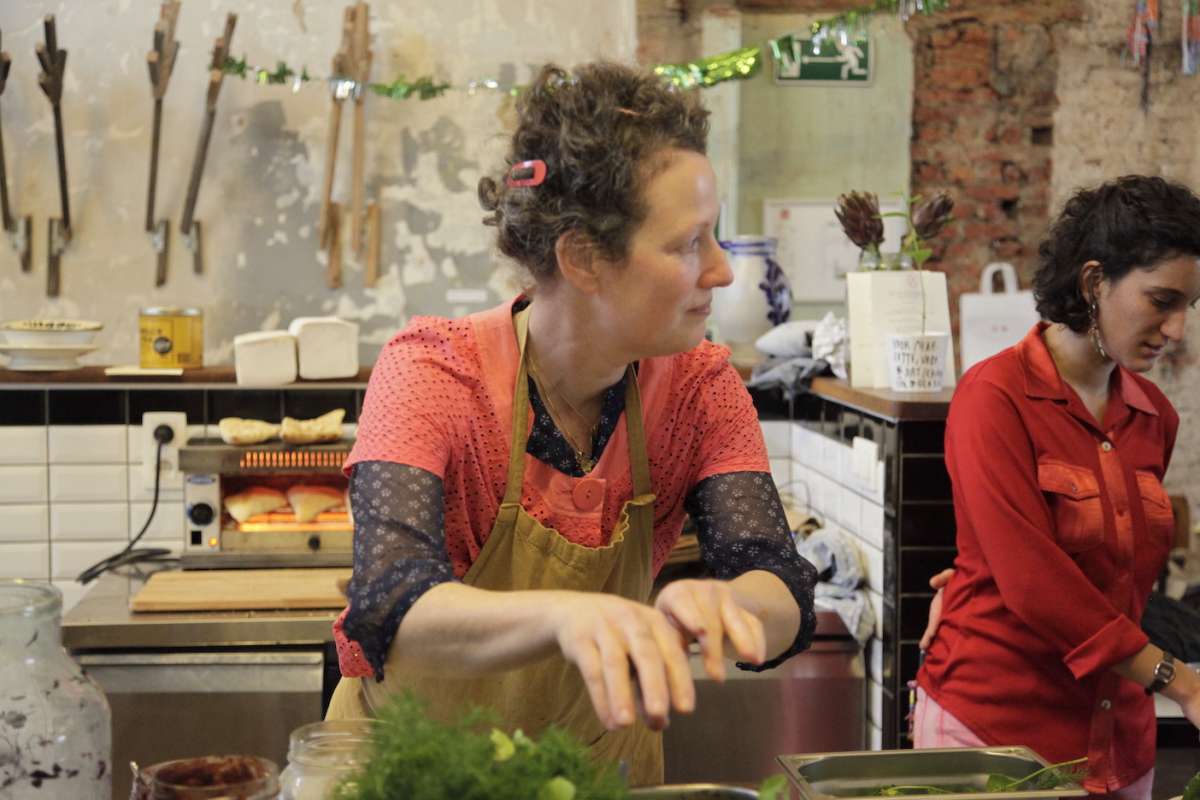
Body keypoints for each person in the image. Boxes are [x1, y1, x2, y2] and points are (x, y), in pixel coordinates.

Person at [323, 61, 818, 786]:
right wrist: (566, 617)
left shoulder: (702, 388)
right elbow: (392, 603)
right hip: (411, 774)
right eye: (688, 243)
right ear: (584, 258)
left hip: (594, 777)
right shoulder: (433, 373)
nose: (722, 270)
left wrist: (733, 603)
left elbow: (780, 584)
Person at [915, 175, 1200, 799]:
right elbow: (1034, 583)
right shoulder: (995, 397)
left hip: (1119, 744)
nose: (1177, 329)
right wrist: (1179, 681)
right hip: (996, 735)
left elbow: (1120, 575)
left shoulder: (1154, 415)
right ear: (1094, 282)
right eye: (1162, 301)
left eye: (1190, 306)